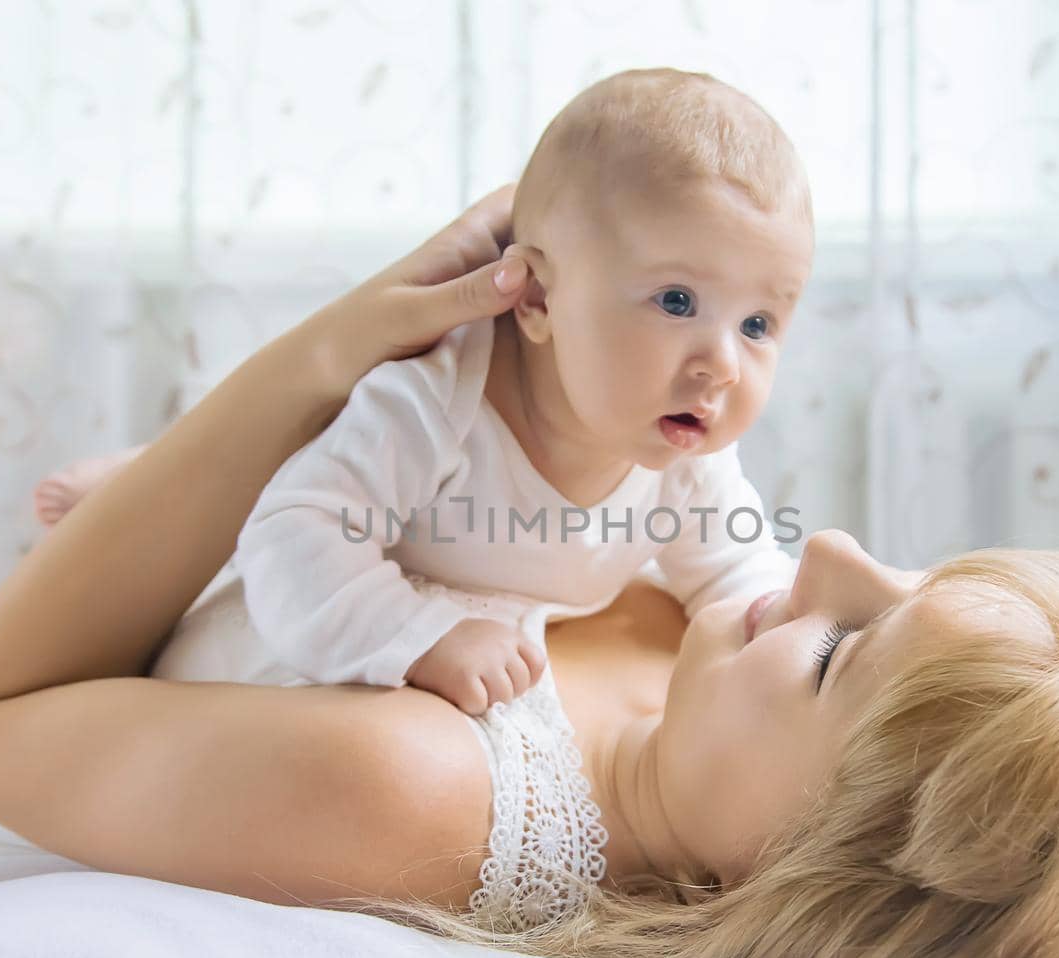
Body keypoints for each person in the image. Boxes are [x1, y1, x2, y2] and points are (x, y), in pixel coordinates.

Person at [0, 184, 1059, 958]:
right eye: (921, 576)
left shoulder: (417, 783)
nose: (835, 549)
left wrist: (335, 344)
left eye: (845, 646)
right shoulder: (723, 658)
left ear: (808, 862)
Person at [49, 68, 815, 718]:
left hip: (483, 578)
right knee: (257, 500)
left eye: (757, 323)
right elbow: (296, 536)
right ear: (540, 300)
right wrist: (420, 634)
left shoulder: (683, 444)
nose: (722, 364)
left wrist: (787, 629)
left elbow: (737, 568)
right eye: (676, 302)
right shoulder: (437, 401)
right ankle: (144, 481)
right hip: (327, 559)